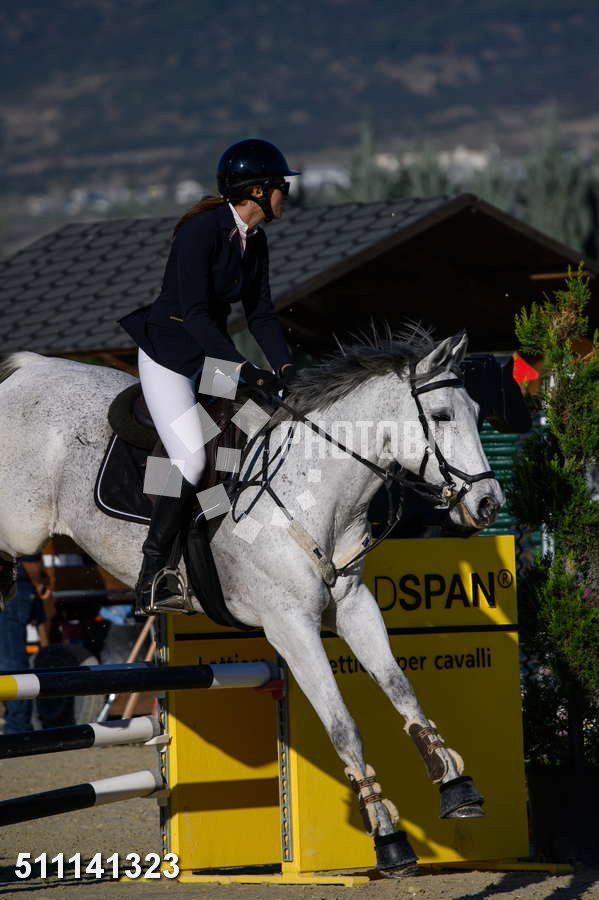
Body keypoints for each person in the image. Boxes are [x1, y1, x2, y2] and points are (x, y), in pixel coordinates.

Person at [117, 138, 301, 614]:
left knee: (247, 428)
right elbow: (195, 315)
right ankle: (153, 573)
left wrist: (284, 368)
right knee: (193, 458)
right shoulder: (201, 230)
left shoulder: (255, 241)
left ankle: (208, 535)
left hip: (208, 355)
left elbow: (261, 315)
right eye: (281, 187)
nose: (286, 195)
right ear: (257, 191)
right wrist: (244, 369)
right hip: (169, 354)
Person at [0, 554, 51, 734]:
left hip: (12, 587)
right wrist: (38, 582)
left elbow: (29, 555)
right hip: (16, 585)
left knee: (10, 659)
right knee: (11, 659)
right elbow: (30, 555)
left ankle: (18, 726)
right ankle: (19, 725)